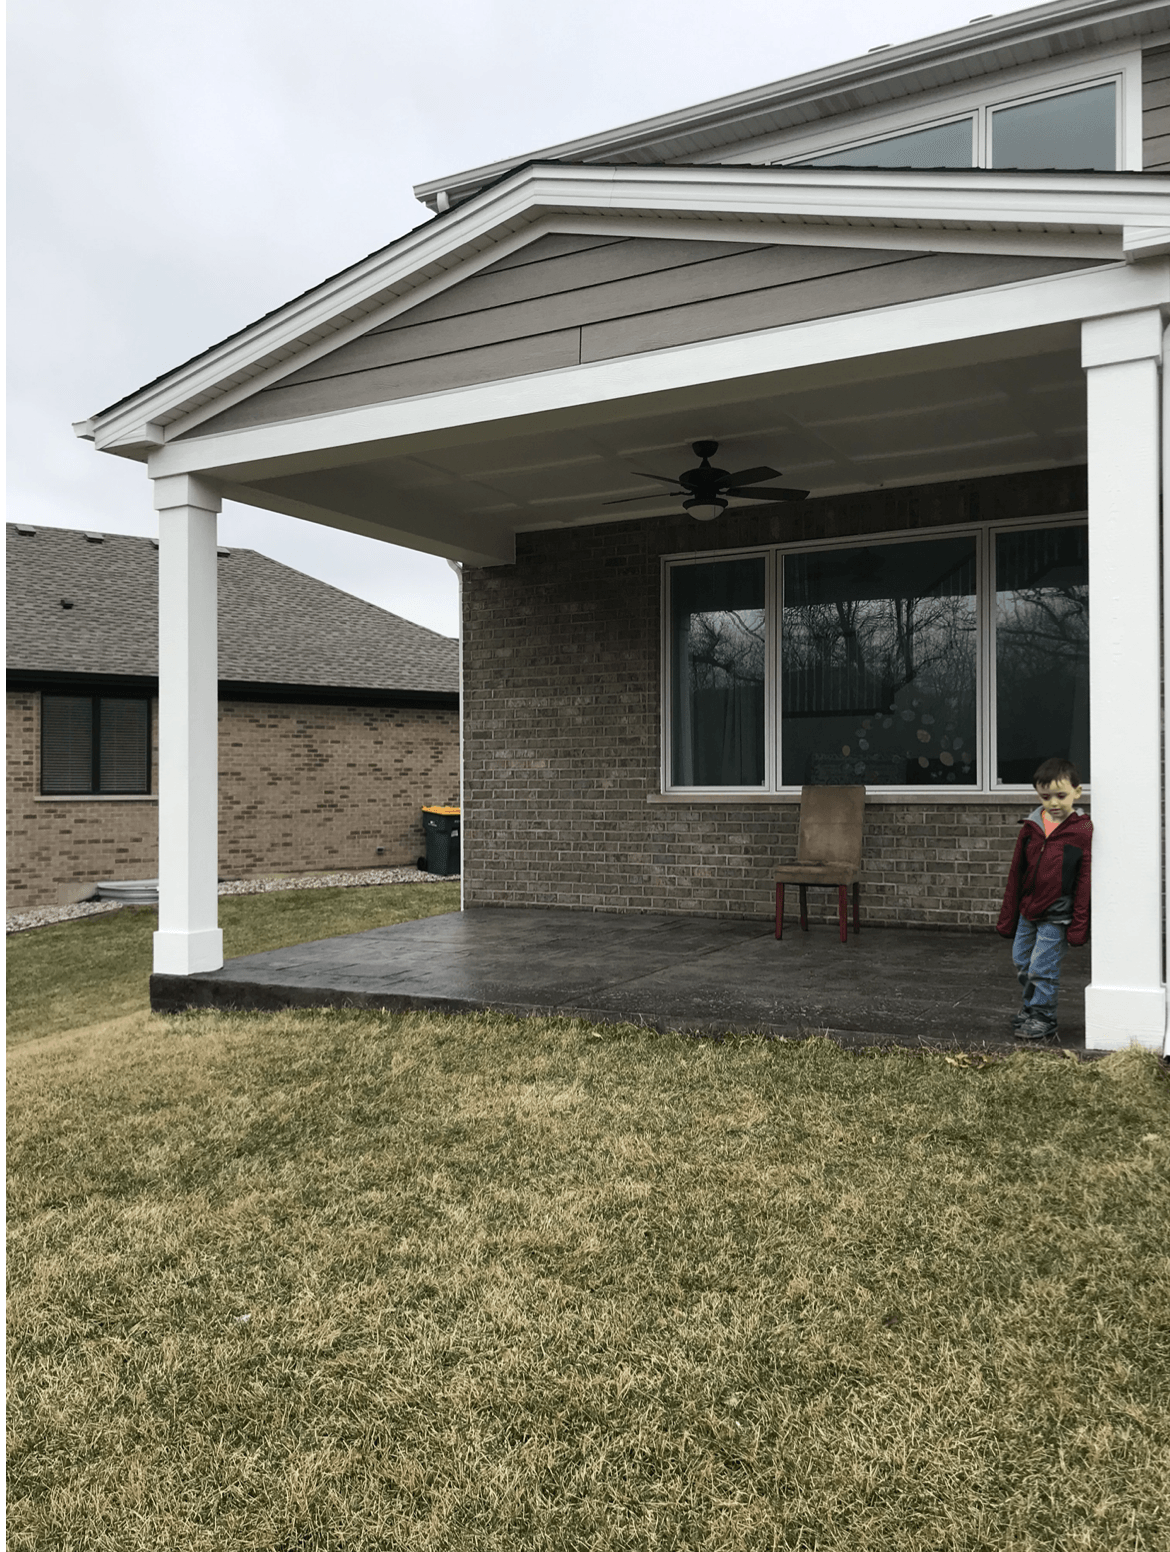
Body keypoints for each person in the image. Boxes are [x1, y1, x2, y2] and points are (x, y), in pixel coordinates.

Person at [996, 757, 1091, 1041]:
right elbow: (1017, 871)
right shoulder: (1032, 826)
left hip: (1057, 914)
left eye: (1061, 795)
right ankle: (1031, 1008)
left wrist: (1079, 924)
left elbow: (1084, 879)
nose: (1053, 802)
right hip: (1028, 911)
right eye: (1045, 796)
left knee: (1042, 967)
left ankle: (1044, 1017)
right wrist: (1009, 915)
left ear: (1078, 791)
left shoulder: (1081, 831)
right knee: (1021, 959)